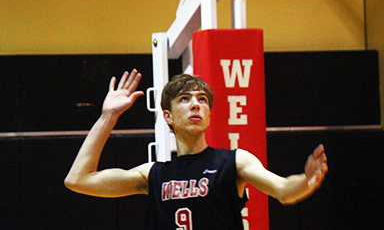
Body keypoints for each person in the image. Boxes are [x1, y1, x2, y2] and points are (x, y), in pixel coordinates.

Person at [65, 69, 328, 229]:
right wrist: (108, 116)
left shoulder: (234, 162)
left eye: (202, 100)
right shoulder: (153, 174)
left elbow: (283, 190)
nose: (196, 105)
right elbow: (78, 179)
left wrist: (307, 181)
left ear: (209, 114)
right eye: (185, 99)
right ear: (168, 117)